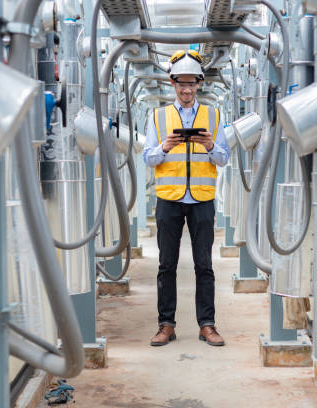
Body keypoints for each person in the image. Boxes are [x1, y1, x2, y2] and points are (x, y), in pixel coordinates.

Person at [142, 50, 231, 347]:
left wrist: (210, 146)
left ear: (199, 84)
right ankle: (166, 324)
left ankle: (207, 324)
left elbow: (224, 158)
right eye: (181, 83)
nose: (186, 89)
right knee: (166, 264)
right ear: (173, 83)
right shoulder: (157, 117)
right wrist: (164, 147)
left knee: (204, 264)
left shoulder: (215, 116)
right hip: (169, 198)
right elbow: (148, 158)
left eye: (192, 83)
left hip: (202, 199)